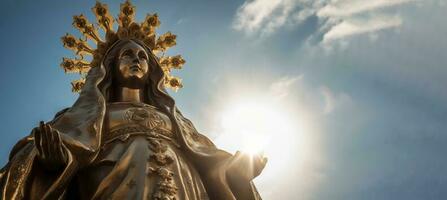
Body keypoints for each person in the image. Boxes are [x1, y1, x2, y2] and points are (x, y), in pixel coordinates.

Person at [0, 2, 266, 199]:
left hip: (185, 188)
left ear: (152, 70)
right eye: (127, 55)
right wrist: (55, 162)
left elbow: (209, 164)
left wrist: (235, 173)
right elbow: (54, 152)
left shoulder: (176, 120)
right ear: (109, 68)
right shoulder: (87, 115)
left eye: (142, 57)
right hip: (112, 188)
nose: (137, 60)